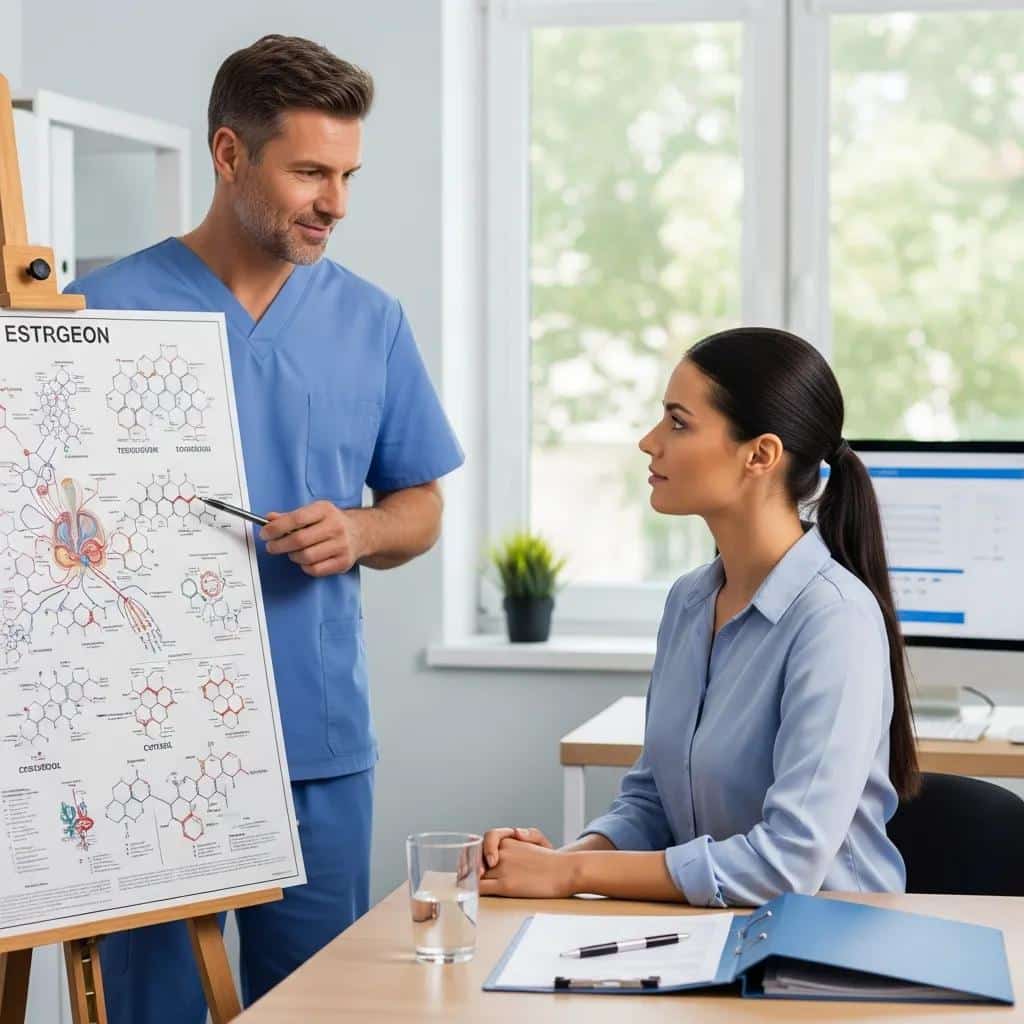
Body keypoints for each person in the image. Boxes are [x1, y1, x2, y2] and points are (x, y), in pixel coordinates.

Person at [67, 34, 463, 1021]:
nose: (335, 202)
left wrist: (363, 532)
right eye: (310, 172)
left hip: (314, 748)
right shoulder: (96, 312)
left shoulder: (370, 321)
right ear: (230, 154)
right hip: (144, 746)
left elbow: (420, 505)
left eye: (348, 175)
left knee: (317, 1005)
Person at [480, 327, 917, 907]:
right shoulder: (689, 602)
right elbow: (654, 802)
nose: (648, 441)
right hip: (711, 935)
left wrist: (572, 877)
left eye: (677, 422)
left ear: (760, 455)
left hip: (827, 958)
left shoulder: (835, 621)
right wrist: (552, 862)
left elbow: (785, 867)